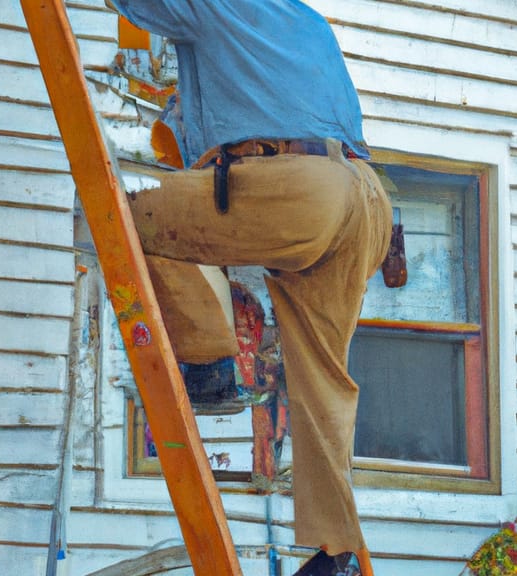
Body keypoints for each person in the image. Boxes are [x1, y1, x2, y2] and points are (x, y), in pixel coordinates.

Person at [107, 2, 392, 575]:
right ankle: (334, 554)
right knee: (322, 378)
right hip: (367, 201)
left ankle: (210, 362)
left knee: (120, 219)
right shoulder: (306, 20)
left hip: (298, 191)